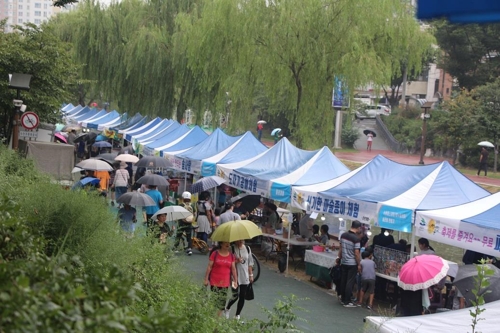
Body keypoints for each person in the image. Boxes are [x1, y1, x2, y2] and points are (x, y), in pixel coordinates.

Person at [203, 241, 238, 317]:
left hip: (225, 283)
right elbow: (209, 267)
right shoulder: (215, 254)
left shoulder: (231, 256)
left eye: (229, 243)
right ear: (221, 244)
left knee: (222, 303)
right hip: (214, 281)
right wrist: (206, 279)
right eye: (225, 243)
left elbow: (233, 269)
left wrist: (235, 280)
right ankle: (212, 317)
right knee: (214, 301)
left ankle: (216, 320)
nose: (227, 244)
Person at [226, 240, 254, 320]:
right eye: (238, 240)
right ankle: (227, 308)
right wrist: (236, 261)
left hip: (244, 276)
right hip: (234, 277)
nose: (240, 241)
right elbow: (228, 262)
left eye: (241, 240)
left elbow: (250, 263)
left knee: (242, 296)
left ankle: (237, 315)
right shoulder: (232, 249)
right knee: (235, 295)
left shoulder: (248, 248)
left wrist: (251, 275)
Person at [338, 220, 362, 307]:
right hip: (352, 263)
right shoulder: (356, 239)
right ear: (358, 228)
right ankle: (347, 301)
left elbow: (340, 248)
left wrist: (339, 257)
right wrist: (359, 264)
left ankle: (342, 298)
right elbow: (356, 253)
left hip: (344, 261)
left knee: (343, 280)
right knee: (350, 282)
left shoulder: (343, 235)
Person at [174, 191, 194, 255]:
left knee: (178, 235)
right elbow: (195, 213)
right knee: (189, 236)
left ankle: (175, 247)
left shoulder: (181, 205)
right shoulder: (192, 205)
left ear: (183, 198)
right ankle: (189, 249)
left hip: (181, 223)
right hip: (189, 223)